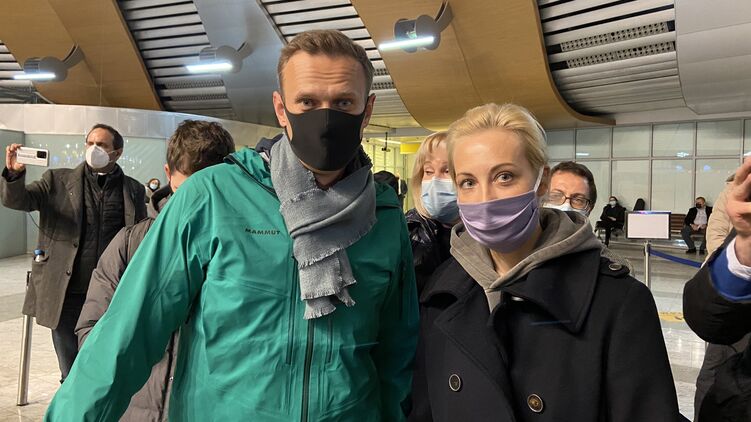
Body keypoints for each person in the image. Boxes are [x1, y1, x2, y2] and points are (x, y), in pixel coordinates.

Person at [45, 29, 418, 421]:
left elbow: (396, 353)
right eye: (307, 102)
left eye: (343, 102)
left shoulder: (383, 214)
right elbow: (129, 331)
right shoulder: (213, 196)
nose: (325, 118)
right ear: (281, 109)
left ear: (367, 110)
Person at [410, 103, 682, 421]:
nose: (485, 199)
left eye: (504, 177)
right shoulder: (443, 290)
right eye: (468, 182)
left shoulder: (617, 301)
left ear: (541, 182)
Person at [74, 120, 235, 422]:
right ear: (168, 174)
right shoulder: (130, 244)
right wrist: (141, 343)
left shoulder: (244, 251)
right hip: (136, 408)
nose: (196, 208)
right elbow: (91, 333)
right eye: (187, 192)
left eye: (208, 194)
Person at [1, 124, 146, 383]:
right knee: (69, 366)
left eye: (101, 145)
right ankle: (71, 396)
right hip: (66, 292)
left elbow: (139, 236)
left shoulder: (133, 189)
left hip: (110, 292)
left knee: (103, 359)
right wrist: (13, 175)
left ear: (117, 152)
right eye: (90, 143)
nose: (93, 149)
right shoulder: (56, 181)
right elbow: (19, 201)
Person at [684, 159, 751, 421]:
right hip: (739, 312)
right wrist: (738, 255)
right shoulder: (737, 189)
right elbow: (706, 319)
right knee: (713, 379)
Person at [405, 131, 459, 294]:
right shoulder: (408, 230)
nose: (435, 180)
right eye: (428, 172)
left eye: (447, 171)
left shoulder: (487, 233)